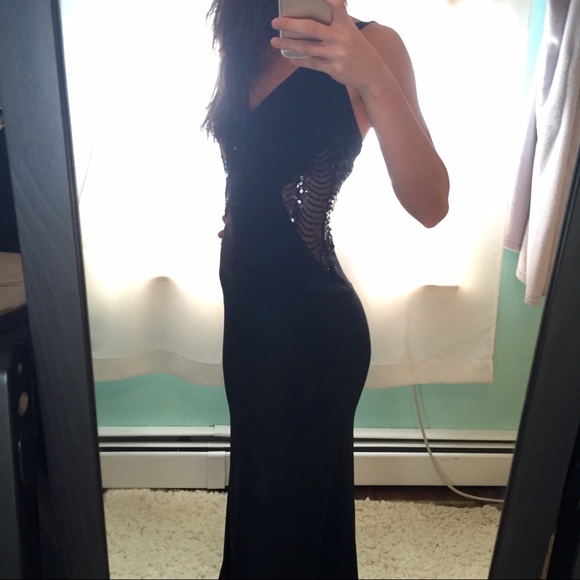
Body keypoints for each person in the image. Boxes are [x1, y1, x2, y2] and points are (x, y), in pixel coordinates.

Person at [203, 1, 449, 578]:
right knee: (275, 505)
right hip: (247, 321)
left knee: (280, 523)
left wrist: (371, 75)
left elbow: (431, 203)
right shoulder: (248, 36)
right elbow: (255, 166)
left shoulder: (374, 45)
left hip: (310, 333)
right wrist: (242, 219)